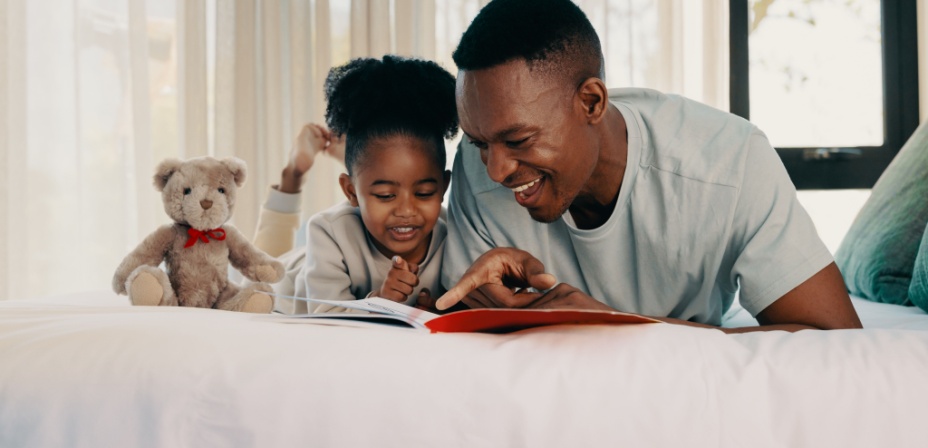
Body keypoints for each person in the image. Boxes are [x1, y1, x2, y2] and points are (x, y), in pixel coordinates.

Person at [436, 0, 862, 332]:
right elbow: (454, 317)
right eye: (478, 143)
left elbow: (833, 338)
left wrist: (615, 325)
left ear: (592, 102)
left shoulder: (729, 161)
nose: (495, 169)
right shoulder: (477, 168)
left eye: (518, 141)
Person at [254, 55, 457, 313]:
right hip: (292, 279)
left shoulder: (454, 233)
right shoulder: (328, 231)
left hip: (354, 209)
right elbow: (328, 317)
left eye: (424, 193)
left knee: (378, 172)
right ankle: (293, 174)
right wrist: (380, 300)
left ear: (443, 187)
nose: (407, 210)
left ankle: (358, 170)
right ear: (349, 191)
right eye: (385, 195)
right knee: (257, 274)